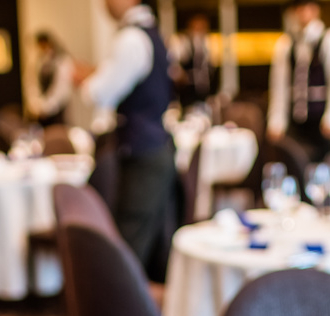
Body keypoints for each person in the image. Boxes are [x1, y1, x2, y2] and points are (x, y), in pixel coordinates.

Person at [75, 0, 175, 277]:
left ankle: (121, 303)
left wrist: (84, 78)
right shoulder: (150, 32)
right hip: (153, 147)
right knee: (148, 244)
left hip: (144, 153)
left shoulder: (131, 38)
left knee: (130, 244)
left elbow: (99, 93)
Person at [266, 0, 330, 162]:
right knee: (294, 163)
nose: (305, 11)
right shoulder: (286, 44)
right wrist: (276, 121)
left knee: (323, 165)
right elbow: (279, 87)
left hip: (321, 122)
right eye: (300, 7)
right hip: (295, 123)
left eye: (309, 6)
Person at [24, 32, 74, 128]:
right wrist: (36, 105)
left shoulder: (62, 59)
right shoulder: (40, 61)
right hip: (41, 110)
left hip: (57, 109)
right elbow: (32, 84)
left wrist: (47, 107)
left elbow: (62, 89)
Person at [170, 13, 216, 110]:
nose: (200, 32)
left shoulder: (207, 46)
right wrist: (182, 76)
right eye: (197, 28)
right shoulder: (182, 44)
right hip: (186, 99)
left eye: (203, 28)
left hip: (203, 97)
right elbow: (173, 68)